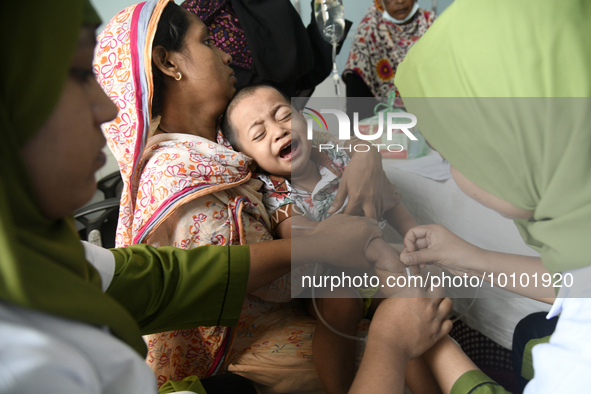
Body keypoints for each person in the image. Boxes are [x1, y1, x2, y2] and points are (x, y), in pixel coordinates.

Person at [0, 1, 387, 393]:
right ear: (168, 64)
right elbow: (274, 287)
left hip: (305, 297)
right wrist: (320, 240)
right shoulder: (179, 175)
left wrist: (365, 154)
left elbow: (163, 277)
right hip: (245, 344)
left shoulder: (221, 140)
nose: (226, 53)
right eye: (206, 41)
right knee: (395, 338)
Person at [350, 0, 591, 392]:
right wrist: (473, 259)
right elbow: (580, 281)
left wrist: (404, 341)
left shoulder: (577, 366)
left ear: (513, 148)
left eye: (450, 153)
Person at [220, 83, 443, 394]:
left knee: (407, 310)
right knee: (341, 303)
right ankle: (340, 389)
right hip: (326, 278)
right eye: (259, 134)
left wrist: (418, 241)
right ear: (248, 157)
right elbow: (301, 236)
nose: (278, 131)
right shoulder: (273, 191)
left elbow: (388, 199)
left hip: (377, 270)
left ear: (302, 118)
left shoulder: (338, 156)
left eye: (283, 115)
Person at [343, 0, 435, 120]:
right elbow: (357, 102)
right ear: (380, 2)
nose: (400, 1)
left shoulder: (432, 25)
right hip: (382, 124)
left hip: (432, 119)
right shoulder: (368, 33)